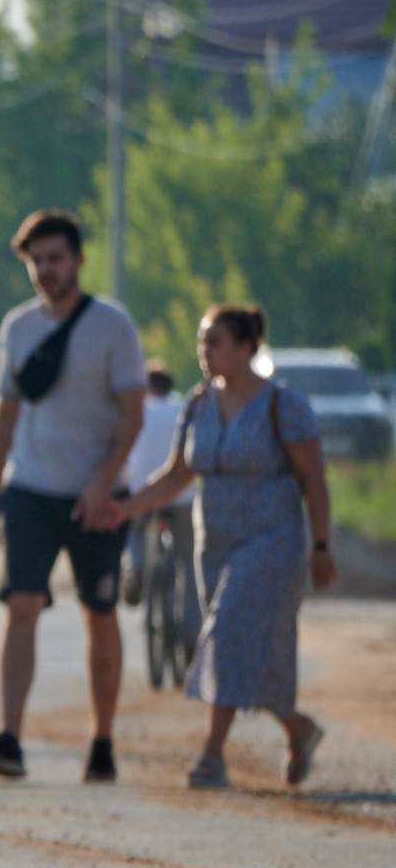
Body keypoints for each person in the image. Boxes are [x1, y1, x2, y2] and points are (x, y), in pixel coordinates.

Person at [113, 305, 336, 789]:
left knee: (226, 631)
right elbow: (177, 475)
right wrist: (125, 510)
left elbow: (313, 479)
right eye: (201, 341)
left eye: (215, 342)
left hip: (272, 540)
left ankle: (211, 754)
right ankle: (300, 730)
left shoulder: (283, 405)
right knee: (260, 651)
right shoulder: (197, 404)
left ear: (245, 348)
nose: (204, 352)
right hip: (214, 543)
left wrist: (321, 544)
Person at [0, 210, 147, 783]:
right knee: (21, 606)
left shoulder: (113, 326)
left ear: (78, 260)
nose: (45, 269)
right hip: (30, 490)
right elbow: (6, 412)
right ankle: (11, 739)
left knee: (100, 612)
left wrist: (103, 482)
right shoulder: (17, 327)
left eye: (55, 258)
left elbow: (134, 413)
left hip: (96, 496)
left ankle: (102, 742)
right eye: (36, 261)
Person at [120, 363, 199, 643]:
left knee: (134, 530)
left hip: (144, 492)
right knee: (188, 564)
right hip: (183, 494)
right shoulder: (185, 407)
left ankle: (135, 568)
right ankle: (192, 631)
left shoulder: (135, 410)